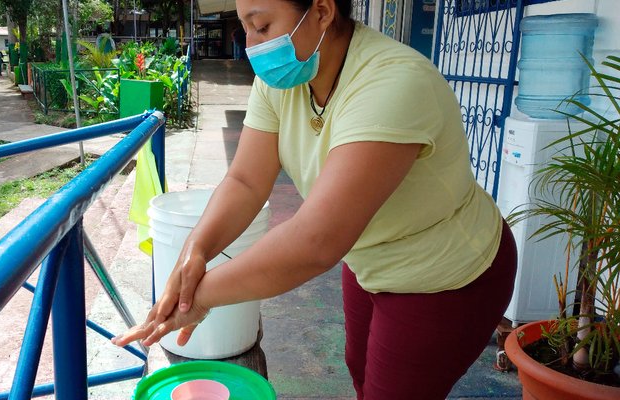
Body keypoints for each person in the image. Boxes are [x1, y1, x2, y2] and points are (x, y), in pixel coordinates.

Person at [112, 1, 518, 399]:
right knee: (361, 371)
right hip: (368, 257)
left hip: (446, 274)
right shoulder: (283, 81)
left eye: (264, 26)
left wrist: (200, 296)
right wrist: (194, 252)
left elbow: (317, 240)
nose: (252, 46)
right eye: (245, 29)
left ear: (322, 11)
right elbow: (245, 180)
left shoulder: (394, 82)